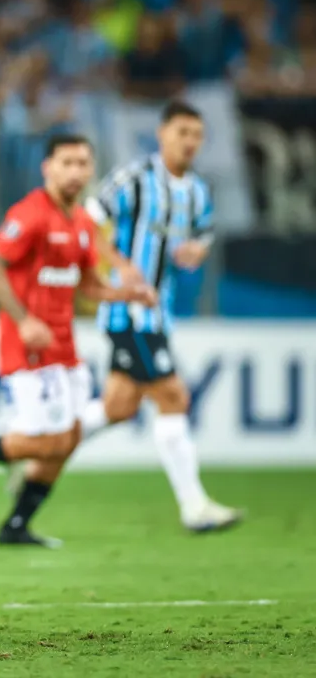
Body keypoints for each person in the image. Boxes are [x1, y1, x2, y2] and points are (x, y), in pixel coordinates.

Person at [0, 135, 157, 547]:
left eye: (83, 163)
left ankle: (15, 526)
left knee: (67, 441)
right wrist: (24, 320)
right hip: (28, 349)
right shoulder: (29, 214)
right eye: (66, 162)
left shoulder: (82, 222)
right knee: (48, 441)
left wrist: (128, 293)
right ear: (47, 167)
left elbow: (88, 287)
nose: (76, 171)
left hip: (65, 349)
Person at [79, 100, 242, 533]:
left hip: (157, 312)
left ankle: (40, 448)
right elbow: (87, 222)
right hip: (126, 312)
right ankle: (195, 507)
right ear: (162, 133)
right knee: (174, 397)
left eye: (197, 135)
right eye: (182, 132)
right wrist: (119, 264)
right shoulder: (134, 179)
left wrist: (198, 250)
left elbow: (204, 231)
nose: (189, 142)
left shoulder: (196, 191)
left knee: (117, 406)